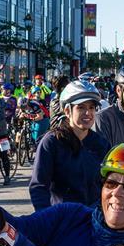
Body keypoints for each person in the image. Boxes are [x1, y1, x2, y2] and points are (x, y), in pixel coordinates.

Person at [30, 81, 111, 210]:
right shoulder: (51, 142)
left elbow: (108, 185)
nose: (88, 113)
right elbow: (38, 187)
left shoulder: (102, 144)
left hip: (94, 221)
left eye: (91, 107)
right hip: (62, 221)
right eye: (81, 107)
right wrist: (47, 220)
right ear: (67, 110)